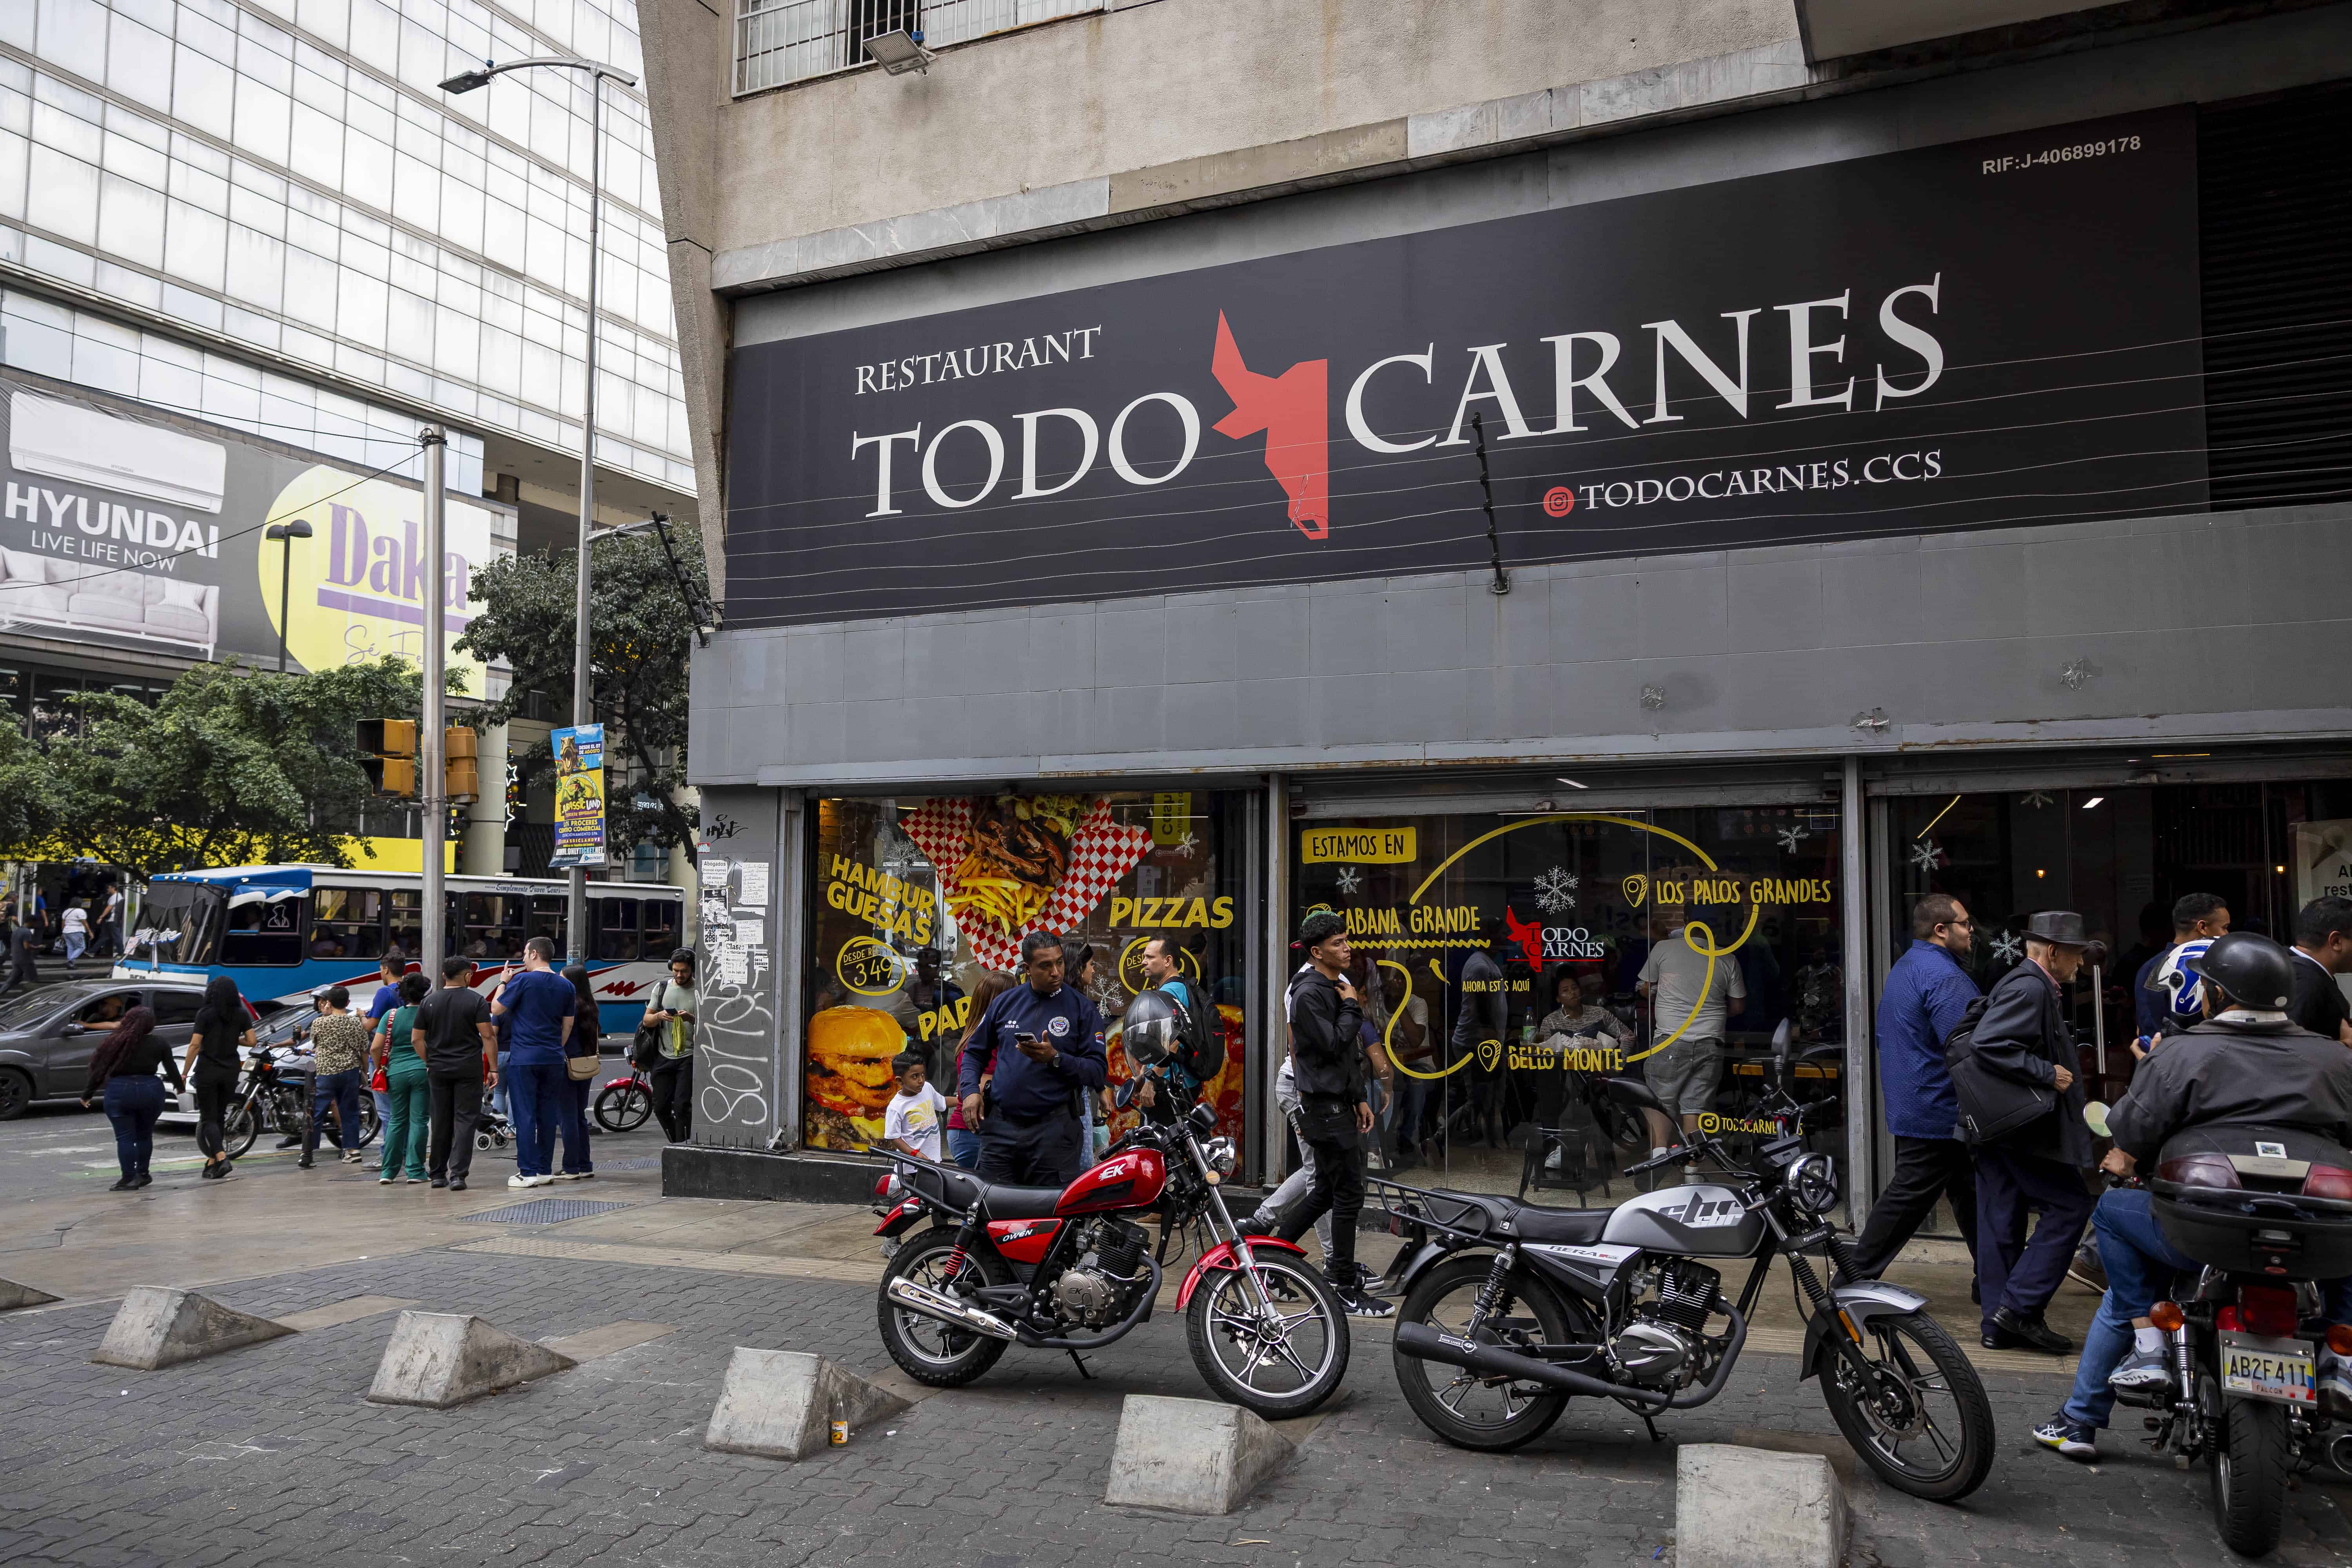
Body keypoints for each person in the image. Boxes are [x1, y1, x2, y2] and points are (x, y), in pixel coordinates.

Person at [2035, 932, 2352, 1459]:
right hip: (2314, 1238)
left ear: (2218, 995)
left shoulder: (2182, 1052)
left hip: (2201, 1233)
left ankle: (2145, 1352)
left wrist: (2121, 1159)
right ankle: (2342, 1358)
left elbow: (2133, 1130)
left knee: (2113, 1216)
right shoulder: (2335, 1059)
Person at [1969, 910, 2099, 1354]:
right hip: (2021, 1129)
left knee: (2000, 1219)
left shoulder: (2029, 984)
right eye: (2077, 955)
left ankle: (1997, 1325)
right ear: (2054, 952)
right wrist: (2048, 1072)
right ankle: (2019, 1309)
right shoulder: (2029, 987)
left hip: (2002, 1128)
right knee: (2070, 1205)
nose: (2080, 964)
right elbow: (1989, 1043)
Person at [1851, 894, 1983, 1279]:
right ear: (1941, 931)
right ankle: (1853, 1278)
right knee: (1909, 1195)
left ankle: (1996, 1282)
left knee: (1971, 1190)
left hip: (1918, 1101)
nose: (1972, 930)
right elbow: (1969, 1050)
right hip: (1938, 1108)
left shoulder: (1908, 965)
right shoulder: (1945, 977)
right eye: (1965, 923)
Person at [1279, 911, 1390, 1318]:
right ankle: (1343, 1285)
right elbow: (1331, 1043)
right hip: (1323, 1108)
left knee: (1326, 1191)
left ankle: (1268, 1256)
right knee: (1348, 1195)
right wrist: (1352, 1007)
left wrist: (1359, 1096)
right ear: (1317, 951)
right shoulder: (1310, 992)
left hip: (1340, 1101)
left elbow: (1346, 1055)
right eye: (1339, 943)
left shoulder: (1334, 984)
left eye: (1347, 940)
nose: (1348, 949)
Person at [959, 929, 1105, 1188]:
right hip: (1001, 1131)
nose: (1056, 972)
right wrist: (970, 1092)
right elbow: (974, 1053)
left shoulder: (1083, 1009)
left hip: (1055, 1133)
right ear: (1027, 968)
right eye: (1045, 966)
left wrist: (1056, 1058)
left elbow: (1096, 1072)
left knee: (1048, 1218)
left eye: (1059, 962)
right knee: (992, 1212)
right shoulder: (1005, 1003)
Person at [1637, 902, 1746, 1176]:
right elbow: (1737, 1008)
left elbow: (1646, 989)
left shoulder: (1663, 949)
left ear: (1686, 921)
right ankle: (1692, 1173)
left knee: (1657, 1099)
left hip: (1669, 1040)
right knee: (1695, 1107)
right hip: (1712, 1042)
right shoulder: (1726, 957)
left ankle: (1660, 1155)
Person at [490, 935, 575, 1189]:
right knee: (548, 1115)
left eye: (526, 954)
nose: (524, 959)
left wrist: (503, 983)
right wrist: (555, 1047)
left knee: (525, 1114)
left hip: (524, 1058)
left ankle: (527, 1173)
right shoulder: (566, 986)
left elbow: (496, 1009)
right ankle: (545, 1169)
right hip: (553, 1058)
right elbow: (567, 1025)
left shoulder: (523, 981)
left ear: (536, 954)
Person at [418, 954, 497, 1191]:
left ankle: (438, 1175)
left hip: (438, 1069)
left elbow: (417, 1039)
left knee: (441, 1120)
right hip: (468, 1068)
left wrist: (429, 1060)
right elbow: (487, 1035)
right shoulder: (477, 1001)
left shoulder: (428, 1002)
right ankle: (458, 1175)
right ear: (468, 976)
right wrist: (493, 1068)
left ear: (444, 976)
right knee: (465, 1120)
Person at [80, 1005, 176, 1191]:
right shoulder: (160, 1042)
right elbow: (171, 1068)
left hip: (120, 1090)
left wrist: (87, 1095)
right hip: (151, 1089)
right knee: (145, 1134)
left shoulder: (115, 1041)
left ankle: (128, 1178)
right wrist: (179, 1087)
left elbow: (100, 1071)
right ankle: (143, 1174)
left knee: (125, 1137)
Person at [2132, 893, 2230, 1042]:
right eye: (2225, 928)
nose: (2227, 935)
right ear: (2202, 927)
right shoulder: (2205, 967)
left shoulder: (2148, 967)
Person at [183, 976, 254, 1181]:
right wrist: (233, 1038)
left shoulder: (205, 1014)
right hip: (231, 1070)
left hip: (208, 1070)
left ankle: (222, 1158)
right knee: (220, 1116)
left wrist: (184, 1071)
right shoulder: (241, 1013)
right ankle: (213, 1162)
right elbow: (252, 1041)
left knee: (207, 1118)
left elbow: (195, 1045)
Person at [1449, 921, 1511, 1149]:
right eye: (1503, 933)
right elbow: (1479, 1005)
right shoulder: (1479, 966)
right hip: (1476, 1044)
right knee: (1478, 1099)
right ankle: (1439, 1138)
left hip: (1490, 1041)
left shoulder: (1488, 964)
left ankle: (1493, 1142)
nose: (1507, 937)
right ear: (1490, 936)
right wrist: (1490, 1039)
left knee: (1494, 1097)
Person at [945, 971, 1013, 1169]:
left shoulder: (981, 1035)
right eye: (1013, 997)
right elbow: (983, 1086)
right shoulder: (985, 1042)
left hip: (972, 1132)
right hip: (973, 1133)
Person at [301, 986, 372, 1170]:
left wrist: (325, 1016)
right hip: (349, 1072)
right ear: (348, 1003)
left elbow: (316, 1043)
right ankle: (352, 1151)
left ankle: (307, 1152)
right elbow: (363, 1048)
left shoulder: (319, 1023)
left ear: (329, 1003)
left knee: (316, 1111)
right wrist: (365, 1071)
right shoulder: (356, 1023)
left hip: (326, 1072)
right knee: (349, 1111)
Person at [374, 973, 431, 1185]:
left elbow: (376, 1047)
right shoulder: (429, 1015)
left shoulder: (391, 1016)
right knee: (419, 1121)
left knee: (397, 1121)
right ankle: (415, 1171)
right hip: (422, 1071)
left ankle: (388, 1172)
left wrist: (381, 1067)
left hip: (395, 1072)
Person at [641, 949, 697, 1143]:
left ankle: (684, 1146)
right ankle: (677, 1142)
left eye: (684, 971)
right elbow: (647, 1020)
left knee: (682, 1106)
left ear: (692, 970)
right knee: (660, 1107)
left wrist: (691, 1019)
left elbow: (710, 1024)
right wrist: (659, 1016)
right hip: (663, 1056)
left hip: (688, 1056)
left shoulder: (699, 990)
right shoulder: (662, 988)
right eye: (676, 971)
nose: (680, 975)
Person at [2289, 896, 2352, 1045]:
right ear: (2336, 942)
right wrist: (2346, 1046)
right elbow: (2289, 1049)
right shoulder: (2305, 983)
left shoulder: (2294, 969)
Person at [364, 952, 407, 1171]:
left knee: (387, 1113)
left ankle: (388, 1157)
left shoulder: (385, 993)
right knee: (405, 1112)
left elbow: (370, 1026)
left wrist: (361, 1016)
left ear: (386, 969)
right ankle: (407, 1155)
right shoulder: (410, 991)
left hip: (384, 1059)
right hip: (405, 1057)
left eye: (381, 969)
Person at [558, 964, 601, 1180]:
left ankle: (571, 1167)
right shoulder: (591, 1005)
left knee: (568, 1117)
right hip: (586, 1065)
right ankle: (586, 1164)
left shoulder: (568, 1005)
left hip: (568, 1066)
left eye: (562, 978)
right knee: (579, 1116)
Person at [882, 1049, 949, 1161]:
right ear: (899, 1081)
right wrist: (915, 1154)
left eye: (923, 1074)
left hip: (934, 1161)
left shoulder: (927, 1088)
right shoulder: (896, 1106)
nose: (921, 1080)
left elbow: (943, 1102)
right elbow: (893, 1137)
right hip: (913, 1166)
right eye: (915, 1077)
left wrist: (964, 1100)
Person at [59, 900, 87, 977]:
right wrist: (89, 931)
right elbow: (84, 922)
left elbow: (63, 923)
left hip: (66, 932)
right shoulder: (80, 911)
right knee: (82, 947)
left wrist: (63, 932)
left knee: (71, 948)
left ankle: (71, 964)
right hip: (76, 931)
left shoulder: (66, 912)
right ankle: (70, 961)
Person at [98, 882, 123, 960]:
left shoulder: (115, 897)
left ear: (113, 888)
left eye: (109, 888)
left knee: (116, 936)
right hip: (111, 920)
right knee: (106, 936)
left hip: (113, 919)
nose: (108, 889)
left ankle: (121, 953)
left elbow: (109, 908)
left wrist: (101, 917)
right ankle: (92, 951)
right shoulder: (117, 896)